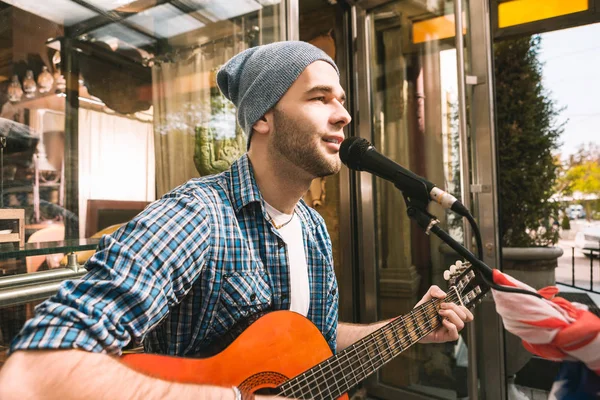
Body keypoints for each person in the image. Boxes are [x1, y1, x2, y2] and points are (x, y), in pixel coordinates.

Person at [0, 41, 473, 400]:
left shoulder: (312, 231)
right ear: (263, 117)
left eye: (342, 100)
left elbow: (318, 346)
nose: (343, 115)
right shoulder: (197, 216)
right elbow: (39, 366)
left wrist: (407, 326)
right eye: (320, 98)